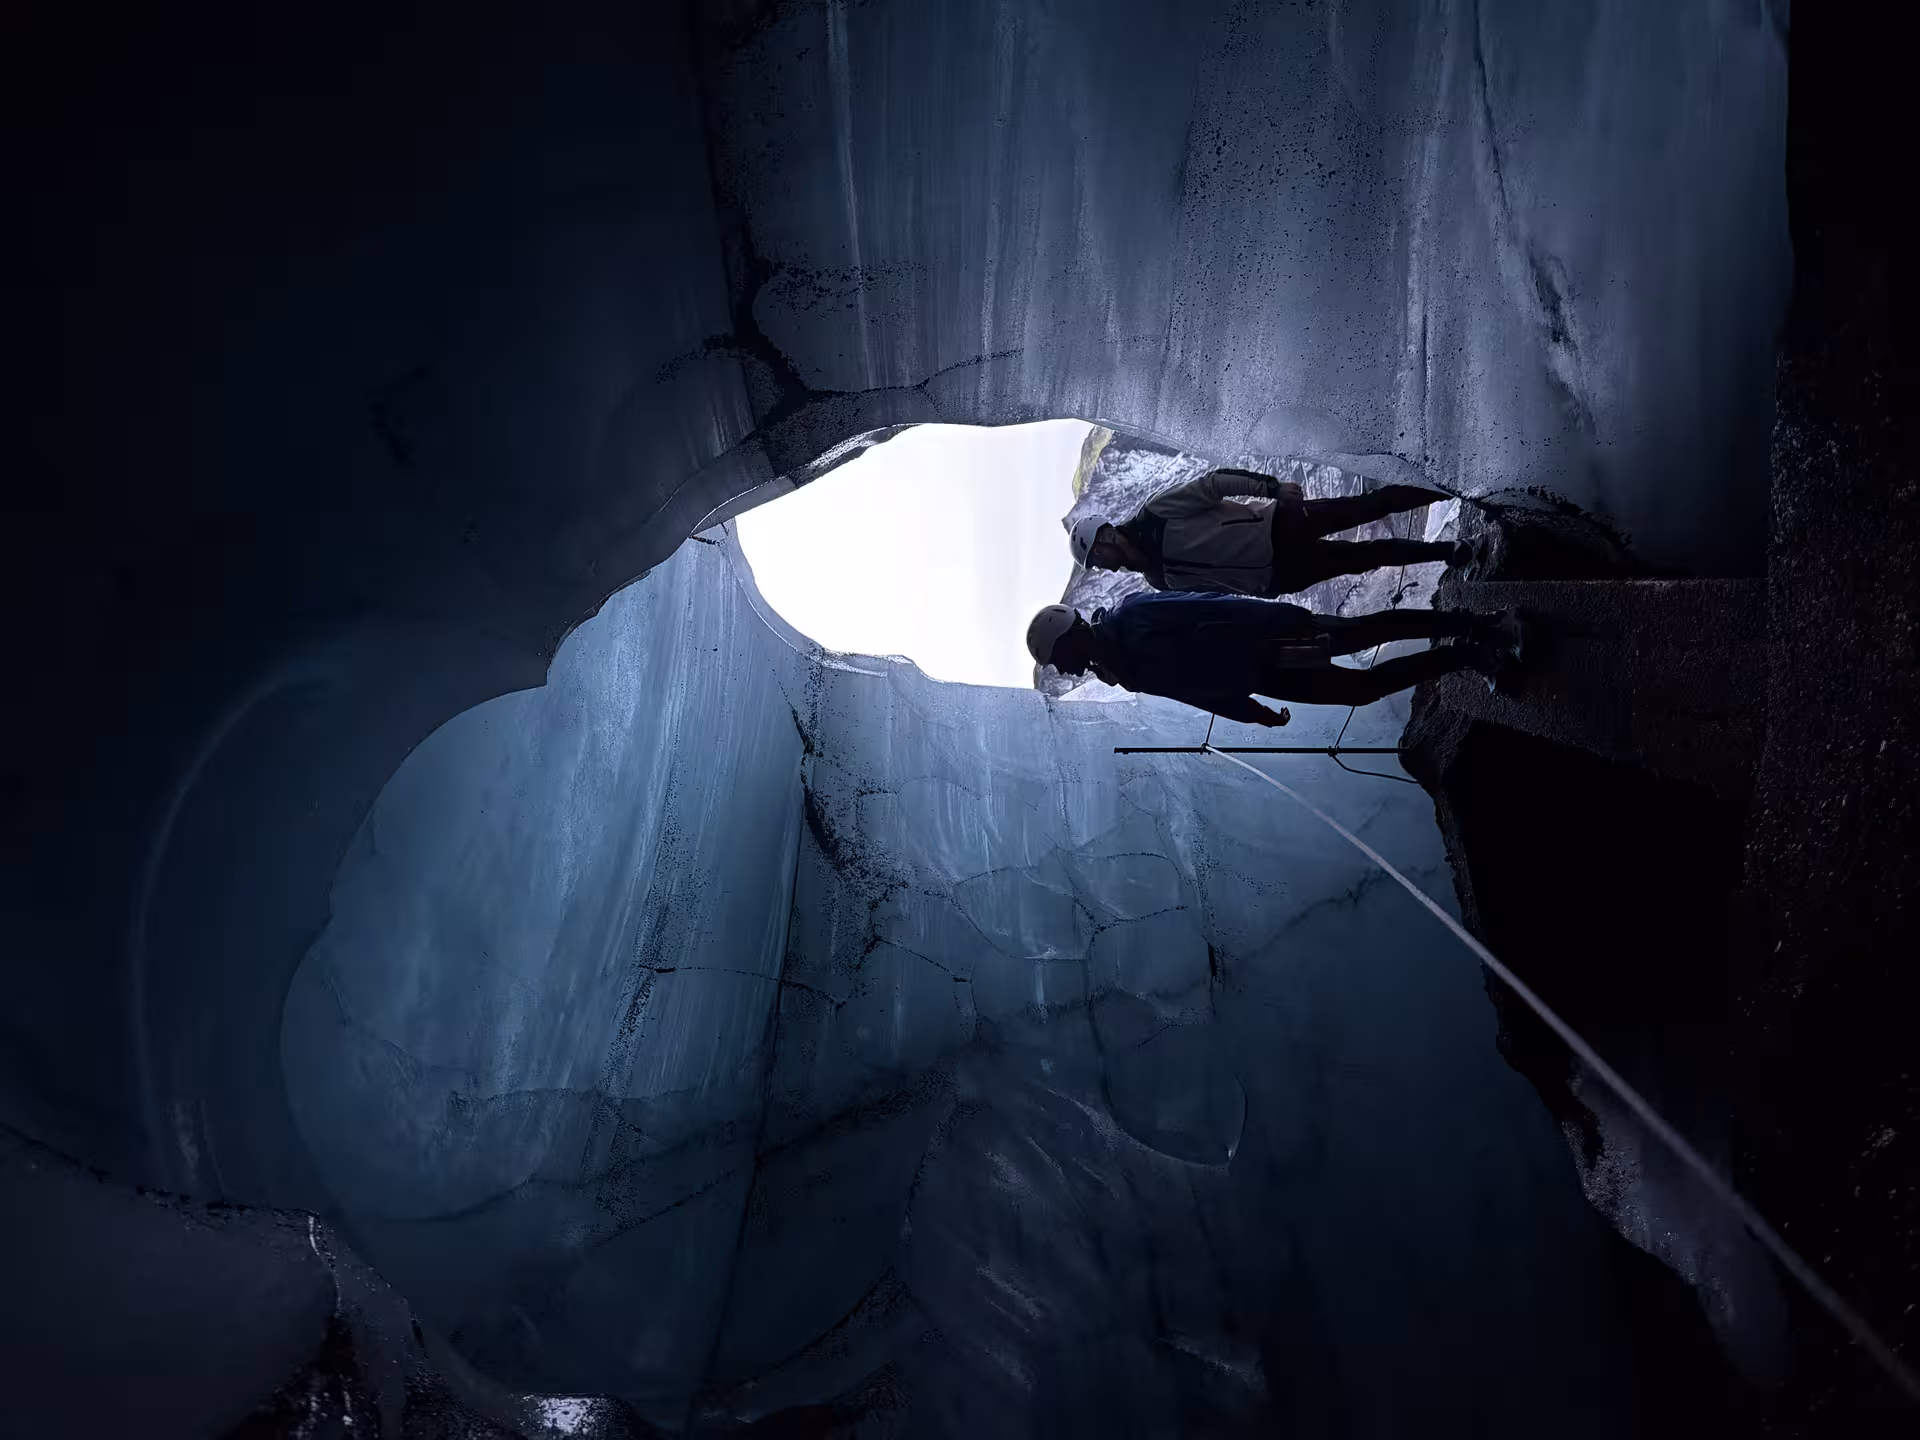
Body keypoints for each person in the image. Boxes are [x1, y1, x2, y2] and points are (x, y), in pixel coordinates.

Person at [1026, 592, 1525, 725]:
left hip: (1272, 645)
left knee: (1363, 634)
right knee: (1360, 686)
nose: (1066, 671)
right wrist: (1252, 712)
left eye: (1060, 659)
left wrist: (1283, 618)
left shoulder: (1132, 616)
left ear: (1070, 637)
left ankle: (1481, 626)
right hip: (1265, 673)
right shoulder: (1125, 671)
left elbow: (1209, 605)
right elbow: (1194, 693)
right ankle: (1469, 653)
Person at [1071, 467, 1471, 598]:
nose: (1103, 569)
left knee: (1368, 507)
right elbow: (1215, 592)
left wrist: (1271, 489)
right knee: (1364, 558)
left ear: (1105, 538)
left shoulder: (1154, 515)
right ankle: (1449, 551)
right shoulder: (1155, 580)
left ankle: (1452, 487)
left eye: (1097, 560)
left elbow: (1213, 484)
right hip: (1276, 576)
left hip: (1278, 525)